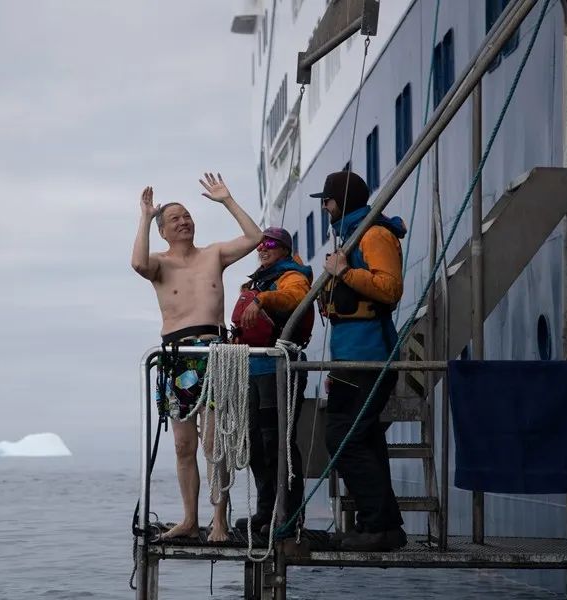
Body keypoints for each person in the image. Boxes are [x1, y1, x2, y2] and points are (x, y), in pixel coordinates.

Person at [131, 172, 261, 542]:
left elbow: (254, 238)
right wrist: (143, 216)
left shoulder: (214, 254)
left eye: (187, 216)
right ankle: (190, 519)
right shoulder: (159, 263)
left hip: (214, 352)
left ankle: (218, 520)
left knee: (214, 443)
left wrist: (227, 200)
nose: (184, 222)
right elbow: (137, 264)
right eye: (175, 219)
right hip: (177, 357)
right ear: (163, 231)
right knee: (183, 445)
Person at [314, 169, 408, 551]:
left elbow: (390, 288)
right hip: (350, 358)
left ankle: (378, 526)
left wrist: (345, 272)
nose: (324, 206)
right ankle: (383, 527)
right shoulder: (352, 235)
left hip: (370, 357)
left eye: (328, 199)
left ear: (344, 200)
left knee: (343, 437)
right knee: (363, 439)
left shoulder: (373, 233)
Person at [231, 227, 313, 535]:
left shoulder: (292, 277)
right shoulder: (257, 280)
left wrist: (262, 299)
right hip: (253, 371)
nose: (262, 249)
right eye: (260, 244)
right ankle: (266, 511)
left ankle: (288, 515)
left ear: (284, 249)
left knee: (278, 442)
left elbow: (295, 298)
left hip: (280, 370)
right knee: (255, 444)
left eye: (270, 244)